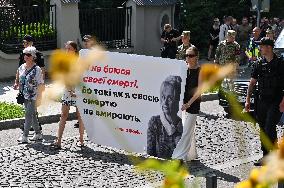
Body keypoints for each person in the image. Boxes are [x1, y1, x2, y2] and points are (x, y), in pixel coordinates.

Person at [245, 37, 284, 166]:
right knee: (262, 128)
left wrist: (283, 101)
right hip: (261, 100)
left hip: (276, 100)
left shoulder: (280, 64)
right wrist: (247, 100)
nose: (259, 48)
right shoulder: (258, 64)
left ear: (269, 47)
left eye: (261, 46)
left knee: (269, 127)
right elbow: (252, 83)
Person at [50, 41, 85, 149]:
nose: (67, 51)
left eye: (69, 48)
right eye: (66, 48)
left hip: (78, 90)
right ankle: (59, 140)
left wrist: (77, 91)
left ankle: (81, 140)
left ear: (75, 50)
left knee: (80, 116)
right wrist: (69, 90)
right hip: (68, 90)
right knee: (63, 115)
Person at [172, 46, 202, 162]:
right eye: (186, 55)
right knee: (188, 129)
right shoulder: (184, 69)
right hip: (182, 104)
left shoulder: (200, 71)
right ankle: (191, 155)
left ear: (196, 57)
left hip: (192, 104)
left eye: (190, 56)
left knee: (185, 132)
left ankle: (178, 157)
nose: (188, 58)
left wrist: (188, 104)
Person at [147, 75, 183, 159]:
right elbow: (150, 154)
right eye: (163, 97)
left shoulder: (183, 123)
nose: (165, 102)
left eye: (170, 98)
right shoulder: (155, 123)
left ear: (177, 100)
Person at [14, 47, 44, 143]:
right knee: (32, 115)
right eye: (25, 54)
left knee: (28, 114)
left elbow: (40, 83)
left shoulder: (37, 69)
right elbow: (18, 76)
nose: (26, 56)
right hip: (24, 95)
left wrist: (39, 96)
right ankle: (38, 134)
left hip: (33, 96)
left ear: (33, 57)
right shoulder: (22, 67)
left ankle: (25, 136)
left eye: (28, 55)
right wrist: (16, 83)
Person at [19, 35, 45, 131]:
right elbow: (20, 69)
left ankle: (28, 129)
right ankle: (35, 127)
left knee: (33, 106)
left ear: (31, 43)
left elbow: (42, 70)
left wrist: (42, 85)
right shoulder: (23, 54)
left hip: (35, 85)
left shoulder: (37, 54)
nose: (24, 44)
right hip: (26, 85)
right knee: (29, 107)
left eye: (26, 42)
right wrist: (17, 82)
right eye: (23, 42)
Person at [73, 34, 97, 129]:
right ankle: (80, 120)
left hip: (93, 81)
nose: (86, 43)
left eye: (87, 41)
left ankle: (91, 121)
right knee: (80, 101)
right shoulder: (82, 53)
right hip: (82, 80)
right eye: (84, 41)